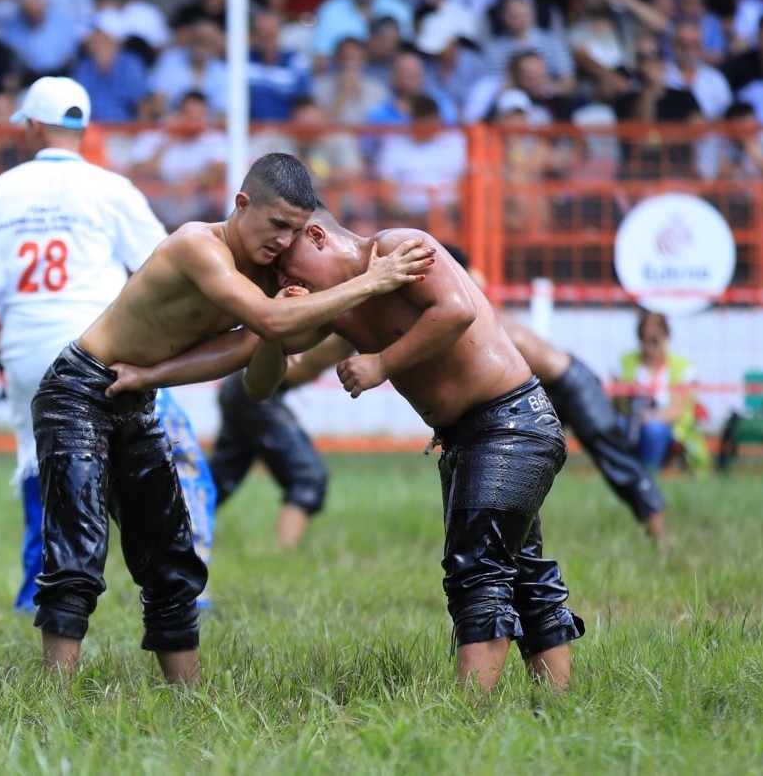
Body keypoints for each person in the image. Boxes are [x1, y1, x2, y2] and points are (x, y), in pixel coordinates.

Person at [115, 211, 583, 691]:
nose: (282, 276)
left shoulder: (399, 246)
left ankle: (471, 713)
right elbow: (264, 379)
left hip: (511, 422)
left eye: (285, 263)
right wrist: (274, 322)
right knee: (521, 571)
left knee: (478, 567)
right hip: (468, 437)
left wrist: (382, 363)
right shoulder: (333, 305)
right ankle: (557, 704)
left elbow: (456, 310)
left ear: (316, 236)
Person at [31, 155, 434, 685]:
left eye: (295, 230)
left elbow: (259, 374)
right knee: (78, 548)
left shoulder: (269, 275)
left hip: (132, 392)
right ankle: (53, 694)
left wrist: (151, 376)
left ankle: (190, 699)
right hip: (77, 389)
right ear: (242, 205)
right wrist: (371, 281)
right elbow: (268, 319)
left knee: (174, 557)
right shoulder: (198, 245)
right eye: (276, 226)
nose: (284, 242)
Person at [0, 76, 217, 615]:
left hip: (25, 349)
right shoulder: (111, 188)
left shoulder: (1, 190)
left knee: (39, 461)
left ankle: (36, 591)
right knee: (159, 461)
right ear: (82, 127)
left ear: (30, 126)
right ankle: (181, 589)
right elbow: (159, 264)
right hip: (100, 346)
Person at [446, 245, 669, 549]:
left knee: (615, 459)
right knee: (521, 470)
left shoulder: (469, 305)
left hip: (571, 384)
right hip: (542, 389)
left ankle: (662, 541)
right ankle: (513, 545)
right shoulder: (469, 304)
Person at [206, 334, 352, 548]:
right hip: (252, 391)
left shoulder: (368, 313)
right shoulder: (357, 308)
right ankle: (284, 554)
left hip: (250, 388)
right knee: (308, 477)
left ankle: (165, 533)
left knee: (217, 480)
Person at [615, 309, 711, 476]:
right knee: (616, 426)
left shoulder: (681, 366)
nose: (649, 346)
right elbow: (614, 402)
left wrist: (648, 416)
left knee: (654, 430)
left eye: (654, 340)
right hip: (631, 421)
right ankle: (622, 474)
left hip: (667, 427)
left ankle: (646, 477)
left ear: (665, 337)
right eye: (645, 340)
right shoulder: (626, 362)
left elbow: (677, 411)